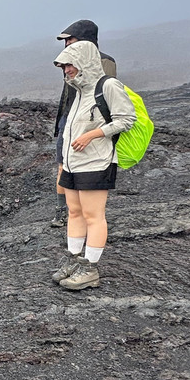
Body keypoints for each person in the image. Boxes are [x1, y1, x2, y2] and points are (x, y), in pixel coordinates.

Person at [51, 40, 136, 290]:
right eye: (63, 66)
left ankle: (90, 269)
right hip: (73, 163)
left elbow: (126, 119)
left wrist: (93, 134)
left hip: (96, 162)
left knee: (93, 215)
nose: (66, 70)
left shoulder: (107, 86)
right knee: (74, 212)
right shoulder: (79, 91)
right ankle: (73, 260)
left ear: (84, 61)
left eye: (69, 64)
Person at [51, 20, 118, 228]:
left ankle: (89, 214)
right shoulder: (69, 60)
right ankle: (65, 211)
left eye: (70, 39)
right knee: (64, 165)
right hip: (69, 120)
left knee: (90, 167)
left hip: (90, 122)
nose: (67, 44)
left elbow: (104, 92)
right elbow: (68, 94)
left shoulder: (104, 61)